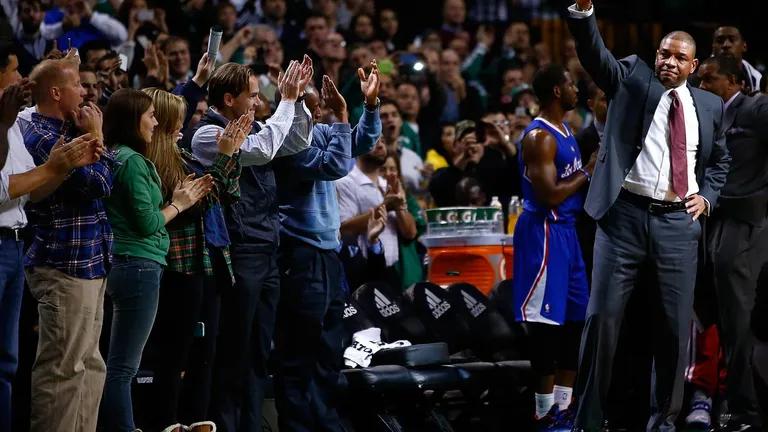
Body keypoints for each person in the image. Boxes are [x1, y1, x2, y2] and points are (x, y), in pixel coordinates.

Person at [565, 1, 730, 431]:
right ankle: (588, 420)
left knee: (675, 331)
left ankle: (665, 421)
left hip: (678, 225)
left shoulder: (709, 106)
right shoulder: (632, 77)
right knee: (602, 320)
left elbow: (719, 162)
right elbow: (594, 54)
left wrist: (707, 198)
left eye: (678, 57)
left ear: (693, 65)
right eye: (663, 53)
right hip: (623, 218)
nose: (668, 61)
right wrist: (584, 14)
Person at [190, 58, 311, 432]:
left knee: (260, 354)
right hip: (238, 252)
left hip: (267, 247)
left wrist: (300, 100)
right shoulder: (206, 135)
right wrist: (286, 101)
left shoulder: (254, 125)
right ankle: (225, 425)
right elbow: (264, 149)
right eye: (254, 96)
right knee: (235, 353)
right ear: (229, 99)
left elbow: (296, 139)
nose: (260, 103)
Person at [272, 61, 381, 432]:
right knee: (301, 355)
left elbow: (359, 143)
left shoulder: (315, 131)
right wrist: (339, 116)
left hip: (326, 257)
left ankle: (327, 423)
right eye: (311, 108)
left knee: (328, 351)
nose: (317, 115)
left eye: (319, 109)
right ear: (292, 108)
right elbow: (336, 165)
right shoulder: (287, 142)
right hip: (300, 257)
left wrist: (369, 107)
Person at [99, 88, 212, 432]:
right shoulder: (132, 161)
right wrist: (179, 202)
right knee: (123, 367)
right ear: (134, 120)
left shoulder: (115, 154)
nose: (155, 122)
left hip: (124, 263)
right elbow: (148, 223)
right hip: (138, 265)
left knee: (113, 363)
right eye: (150, 115)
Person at [0, 57, 102, 432]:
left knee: (86, 365)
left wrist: (65, 163)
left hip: (59, 254)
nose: (19, 79)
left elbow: (33, 193)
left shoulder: (18, 129)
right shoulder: (38, 132)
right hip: (60, 261)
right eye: (13, 71)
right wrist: (91, 140)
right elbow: (102, 183)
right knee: (61, 368)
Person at [141, 88, 246, 432]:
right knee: (176, 352)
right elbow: (195, 203)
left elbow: (225, 193)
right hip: (179, 265)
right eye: (176, 119)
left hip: (207, 261)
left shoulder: (183, 155)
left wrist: (229, 159)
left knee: (206, 350)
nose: (184, 126)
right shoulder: (154, 162)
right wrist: (225, 157)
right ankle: (167, 421)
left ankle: (197, 420)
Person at [511, 64, 593, 432]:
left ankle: (564, 409)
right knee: (546, 329)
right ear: (558, 92)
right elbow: (548, 195)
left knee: (575, 321)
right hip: (544, 232)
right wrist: (586, 172)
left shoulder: (567, 131)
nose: (577, 89)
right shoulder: (539, 137)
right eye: (571, 83)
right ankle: (543, 414)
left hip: (568, 233)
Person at [689, 54, 768, 431]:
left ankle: (745, 412)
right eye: (700, 81)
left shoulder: (757, 107)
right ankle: (734, 406)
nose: (702, 86)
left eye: (710, 79)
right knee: (720, 322)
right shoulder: (708, 117)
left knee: (738, 326)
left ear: (735, 82)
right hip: (713, 226)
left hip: (745, 225)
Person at [337, 136, 417, 284]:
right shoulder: (345, 183)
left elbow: (410, 232)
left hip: (392, 269)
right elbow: (344, 229)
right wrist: (386, 206)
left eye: (382, 141)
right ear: (357, 145)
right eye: (374, 141)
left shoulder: (387, 183)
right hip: (362, 270)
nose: (380, 146)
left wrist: (399, 206)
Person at [711, 26, 762, 95]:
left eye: (732, 40)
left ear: (744, 46)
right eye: (720, 41)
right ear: (713, 46)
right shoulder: (697, 78)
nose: (726, 45)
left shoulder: (757, 79)